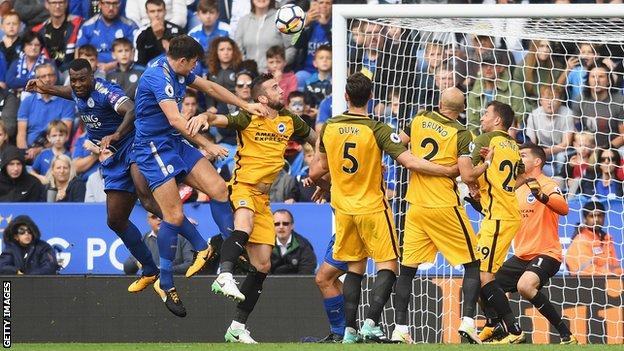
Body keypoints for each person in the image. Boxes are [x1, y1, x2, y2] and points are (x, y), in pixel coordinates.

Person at [308, 72, 458, 343]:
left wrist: (328, 185)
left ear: (345, 96)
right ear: (371, 97)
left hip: (343, 210)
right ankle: (370, 323)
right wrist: (447, 170)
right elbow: (410, 162)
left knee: (355, 267)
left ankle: (350, 332)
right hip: (372, 207)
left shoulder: (328, 127)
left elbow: (317, 170)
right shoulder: (377, 128)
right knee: (388, 265)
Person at [132, 35, 266, 318]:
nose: (195, 67)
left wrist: (245, 104)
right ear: (182, 60)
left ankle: (232, 250)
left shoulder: (178, 70)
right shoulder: (158, 77)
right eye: (193, 62)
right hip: (153, 148)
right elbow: (176, 120)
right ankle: (165, 282)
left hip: (173, 142)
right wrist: (207, 145)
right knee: (175, 216)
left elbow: (209, 85)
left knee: (218, 189)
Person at [190, 72, 315, 343]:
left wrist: (323, 166)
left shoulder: (290, 120)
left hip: (265, 198)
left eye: (280, 86)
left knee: (263, 265)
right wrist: (205, 117)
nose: (282, 91)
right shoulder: (249, 116)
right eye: (274, 88)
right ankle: (223, 274)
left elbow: (317, 140)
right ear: (261, 97)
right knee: (242, 225)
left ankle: (237, 327)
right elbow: (220, 119)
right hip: (243, 186)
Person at [26, 58, 161, 294]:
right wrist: (44, 87)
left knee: (145, 196)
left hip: (132, 146)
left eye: (82, 79)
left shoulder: (106, 91)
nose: (77, 84)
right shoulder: (77, 90)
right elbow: (69, 91)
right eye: (74, 79)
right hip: (113, 159)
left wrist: (117, 134)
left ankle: (192, 233)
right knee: (115, 220)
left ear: (92, 76)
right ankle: (150, 269)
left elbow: (131, 109)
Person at [392, 88, 492, 344]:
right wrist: (487, 163)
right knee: (472, 263)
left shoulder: (418, 119)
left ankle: (400, 328)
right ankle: (468, 322)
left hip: (415, 205)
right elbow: (468, 176)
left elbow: (397, 143)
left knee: (407, 269)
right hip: (444, 206)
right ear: (462, 110)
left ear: (439, 103)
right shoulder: (461, 133)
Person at [479, 143, 577, 344]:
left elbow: (564, 208)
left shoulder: (547, 183)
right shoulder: (516, 187)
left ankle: (566, 335)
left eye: (523, 155)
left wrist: (541, 196)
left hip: (546, 253)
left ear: (537, 161)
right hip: (521, 255)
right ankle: (499, 328)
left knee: (525, 286)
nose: (519, 158)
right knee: (484, 283)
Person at [470, 101, 526, 344]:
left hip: (500, 216)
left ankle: (514, 330)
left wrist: (473, 184)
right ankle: (493, 325)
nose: (482, 118)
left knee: (484, 276)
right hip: (501, 213)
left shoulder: (486, 140)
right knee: (475, 269)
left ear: (497, 121)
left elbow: (466, 171)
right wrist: (502, 190)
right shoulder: (514, 145)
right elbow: (522, 175)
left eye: (486, 114)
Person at [17, 64, 75, 161]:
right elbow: (21, 134)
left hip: (55, 152)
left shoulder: (66, 102)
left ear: (56, 77)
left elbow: (64, 134)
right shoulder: (27, 101)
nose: (48, 79)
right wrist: (24, 154)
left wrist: (39, 150)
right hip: (29, 151)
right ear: (36, 80)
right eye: (43, 76)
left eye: (51, 75)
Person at [466, 52, 525, 136]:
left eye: (493, 65)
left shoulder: (514, 89)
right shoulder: (473, 94)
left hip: (508, 136)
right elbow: (472, 123)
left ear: (501, 68)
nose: (488, 68)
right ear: (480, 68)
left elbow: (518, 120)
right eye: (484, 65)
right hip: (481, 138)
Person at [524, 85, 575, 177]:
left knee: (560, 157)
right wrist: (539, 153)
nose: (550, 102)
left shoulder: (567, 114)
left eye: (554, 99)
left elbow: (566, 143)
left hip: (562, 151)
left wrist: (545, 152)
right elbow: (531, 143)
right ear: (540, 101)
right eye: (547, 98)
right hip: (541, 150)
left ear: (560, 101)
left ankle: (561, 181)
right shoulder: (534, 115)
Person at [573, 64, 624, 151]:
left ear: (608, 81)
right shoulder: (580, 100)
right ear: (588, 80)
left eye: (601, 76)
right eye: (593, 76)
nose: (597, 80)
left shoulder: (619, 101)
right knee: (562, 157)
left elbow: (623, 135)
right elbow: (576, 128)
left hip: (613, 149)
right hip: (586, 148)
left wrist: (603, 151)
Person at [124, 212, 194, 275]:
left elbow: (190, 264)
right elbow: (128, 268)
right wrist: (138, 261)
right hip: (150, 284)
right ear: (148, 221)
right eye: (154, 217)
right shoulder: (144, 239)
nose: (159, 219)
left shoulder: (183, 237)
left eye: (162, 216)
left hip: (177, 283)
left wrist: (164, 270)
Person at [76, 0, 138, 71]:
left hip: (122, 71)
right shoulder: (87, 26)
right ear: (99, 4)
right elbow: (78, 54)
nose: (111, 8)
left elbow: (133, 54)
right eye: (107, 3)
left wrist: (112, 66)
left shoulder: (130, 26)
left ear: (120, 4)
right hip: (93, 71)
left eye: (115, 3)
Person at [234, 0, 294, 73]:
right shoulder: (243, 21)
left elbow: (291, 48)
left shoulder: (282, 19)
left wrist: (278, 66)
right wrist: (247, 68)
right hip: (249, 73)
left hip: (273, 74)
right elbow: (238, 49)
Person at [566, 201, 622, 276]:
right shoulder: (581, 240)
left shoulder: (606, 240)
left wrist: (620, 274)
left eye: (599, 215)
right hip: (586, 284)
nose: (596, 219)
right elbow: (585, 271)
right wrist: (611, 274)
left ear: (604, 217)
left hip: (609, 283)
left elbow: (615, 267)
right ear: (585, 219)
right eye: (592, 216)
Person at [32, 0, 84, 72]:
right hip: (48, 73)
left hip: (71, 72)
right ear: (47, 4)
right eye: (54, 3)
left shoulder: (79, 24)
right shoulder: (38, 31)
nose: (57, 6)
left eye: (61, 2)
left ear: (66, 4)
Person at [135, 0, 183, 66]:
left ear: (165, 11)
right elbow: (139, 62)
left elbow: (180, 56)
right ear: (147, 13)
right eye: (152, 11)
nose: (156, 14)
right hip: (149, 71)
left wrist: (160, 37)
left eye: (159, 10)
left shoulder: (176, 30)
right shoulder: (142, 33)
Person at [270, 209, 317, 275]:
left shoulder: (304, 245)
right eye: (277, 224)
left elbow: (306, 273)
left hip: (298, 284)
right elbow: (263, 273)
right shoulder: (267, 246)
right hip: (271, 284)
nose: (281, 227)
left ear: (292, 226)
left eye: (285, 223)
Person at [205, 36, 242, 114]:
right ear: (216, 52)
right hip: (217, 111)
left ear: (234, 51)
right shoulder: (211, 72)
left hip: (238, 109)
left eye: (229, 49)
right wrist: (210, 106)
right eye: (222, 49)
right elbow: (209, 93)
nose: (226, 53)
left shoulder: (240, 70)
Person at [303, 44, 332, 109]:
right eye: (321, 58)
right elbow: (307, 103)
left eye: (329, 58)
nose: (325, 60)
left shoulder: (336, 81)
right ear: (315, 63)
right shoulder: (309, 82)